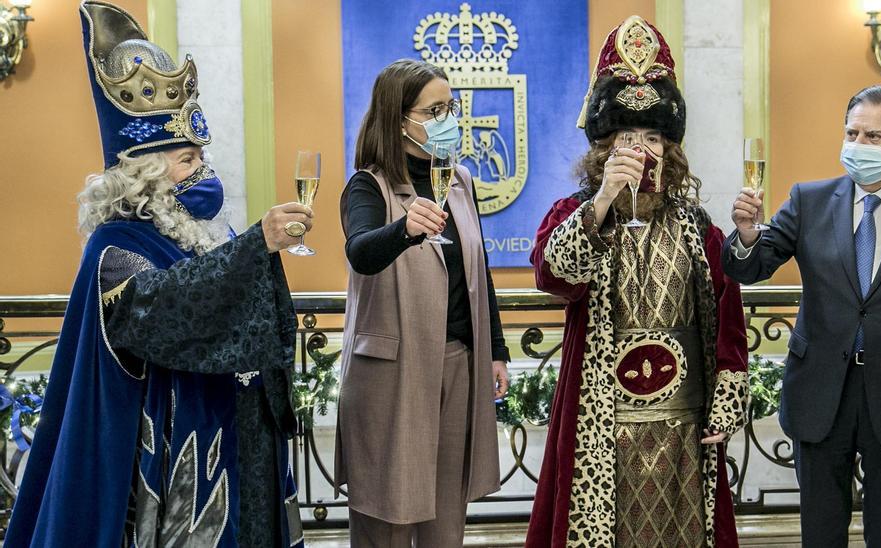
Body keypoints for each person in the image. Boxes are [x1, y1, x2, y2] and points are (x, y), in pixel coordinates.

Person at [6, 2, 307, 546]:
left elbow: (219, 301)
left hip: (225, 434)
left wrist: (253, 251)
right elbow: (160, 311)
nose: (205, 173)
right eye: (189, 161)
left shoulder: (187, 234)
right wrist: (254, 245)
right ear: (146, 174)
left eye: (200, 157)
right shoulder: (114, 246)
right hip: (167, 465)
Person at [723, 85, 881, 546]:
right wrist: (746, 236)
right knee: (821, 534)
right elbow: (752, 268)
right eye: (852, 133)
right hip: (820, 393)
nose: (858, 146)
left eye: (873, 137)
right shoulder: (808, 200)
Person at [525, 16, 749, 548]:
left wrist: (727, 396)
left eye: (652, 137)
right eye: (627, 137)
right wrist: (603, 200)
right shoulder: (577, 211)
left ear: (669, 150)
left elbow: (728, 318)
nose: (642, 150)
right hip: (601, 423)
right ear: (605, 149)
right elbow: (553, 277)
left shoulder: (698, 226)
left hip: (684, 427)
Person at [333, 59, 509, 547]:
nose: (448, 118)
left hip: (456, 362)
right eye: (436, 109)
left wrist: (495, 349)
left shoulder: (459, 182)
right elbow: (361, 253)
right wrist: (405, 229)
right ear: (399, 118)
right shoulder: (369, 185)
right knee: (388, 516)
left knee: (445, 519)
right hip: (391, 372)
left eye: (450, 107)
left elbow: (478, 272)